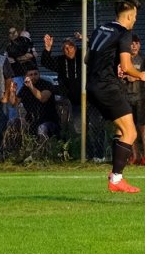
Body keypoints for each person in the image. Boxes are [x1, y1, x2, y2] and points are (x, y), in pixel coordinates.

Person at [85, 0, 145, 193]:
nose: (135, 20)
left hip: (92, 86)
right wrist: (141, 74)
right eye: (135, 16)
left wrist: (111, 65)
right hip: (107, 86)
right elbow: (126, 66)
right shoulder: (124, 33)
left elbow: (87, 59)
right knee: (131, 133)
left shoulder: (101, 28)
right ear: (128, 15)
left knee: (121, 131)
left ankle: (117, 176)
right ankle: (116, 179)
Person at [42, 33, 107, 161]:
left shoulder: (83, 55)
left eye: (70, 47)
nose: (68, 50)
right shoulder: (61, 61)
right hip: (76, 101)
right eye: (65, 48)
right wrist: (48, 48)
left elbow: (95, 51)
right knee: (81, 128)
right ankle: (88, 154)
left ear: (75, 47)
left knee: (97, 125)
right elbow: (45, 62)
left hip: (91, 99)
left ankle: (100, 155)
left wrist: (86, 40)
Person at [123, 34, 145, 165]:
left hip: (142, 97)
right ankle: (134, 156)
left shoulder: (143, 58)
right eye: (132, 43)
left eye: (136, 43)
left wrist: (137, 77)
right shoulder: (122, 59)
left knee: (143, 126)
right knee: (130, 128)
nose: (134, 46)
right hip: (126, 97)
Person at [2, 67, 60, 140]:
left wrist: (31, 86)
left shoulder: (46, 84)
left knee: (42, 129)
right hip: (31, 121)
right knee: (12, 122)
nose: (33, 77)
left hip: (48, 120)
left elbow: (42, 98)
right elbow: (14, 104)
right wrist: (13, 92)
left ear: (39, 74)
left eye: (35, 74)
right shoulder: (25, 88)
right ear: (26, 77)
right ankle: (15, 148)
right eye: (31, 75)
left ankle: (43, 150)